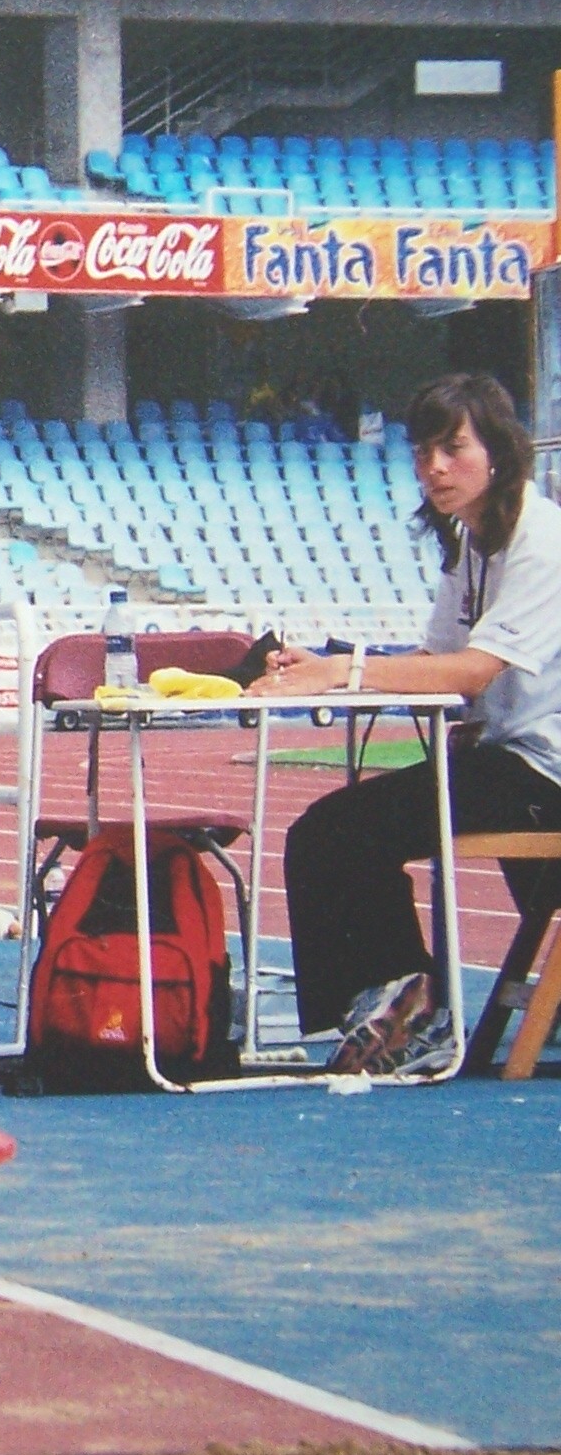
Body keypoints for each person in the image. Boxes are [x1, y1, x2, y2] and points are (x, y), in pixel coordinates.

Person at [251, 374, 561, 1074]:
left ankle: (410, 1008)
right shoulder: (474, 543)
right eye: (422, 453)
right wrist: (332, 659)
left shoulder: (542, 542)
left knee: (339, 832)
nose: (434, 469)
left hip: (545, 773)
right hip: (513, 759)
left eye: (452, 449)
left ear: (500, 453)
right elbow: (434, 659)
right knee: (327, 831)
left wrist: (344, 674)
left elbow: (471, 672)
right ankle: (391, 1003)